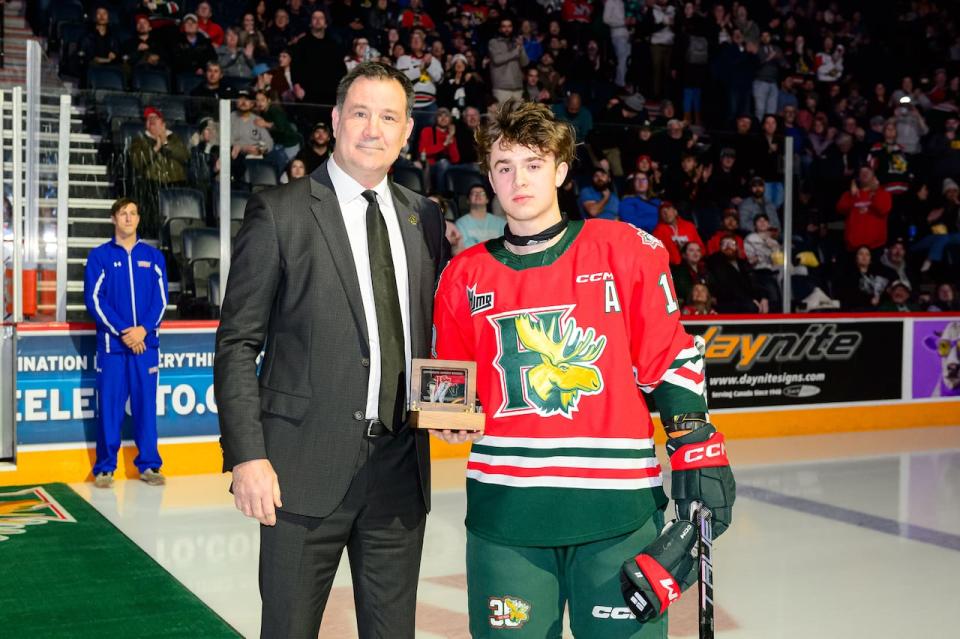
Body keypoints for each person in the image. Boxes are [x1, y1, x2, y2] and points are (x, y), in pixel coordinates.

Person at [430, 98, 734, 638]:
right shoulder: (462, 275)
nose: (517, 179)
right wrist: (453, 414)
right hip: (506, 517)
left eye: (533, 163)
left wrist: (694, 443)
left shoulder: (625, 249)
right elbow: (455, 382)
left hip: (616, 514)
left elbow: (671, 357)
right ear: (489, 179)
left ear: (561, 170)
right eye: (504, 167)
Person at [214, 61, 449, 638]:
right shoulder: (281, 211)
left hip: (400, 472)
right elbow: (237, 343)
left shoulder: (426, 217)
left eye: (389, 117)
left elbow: (433, 336)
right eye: (361, 113)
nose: (374, 129)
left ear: (406, 132)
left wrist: (448, 407)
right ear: (337, 120)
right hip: (299, 470)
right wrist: (247, 455)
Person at [83, 197, 168, 489]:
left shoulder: (153, 257)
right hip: (113, 348)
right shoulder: (100, 256)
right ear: (113, 219)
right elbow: (95, 300)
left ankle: (149, 465)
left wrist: (143, 330)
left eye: (133, 213)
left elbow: (161, 299)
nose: (128, 218)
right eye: (123, 213)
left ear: (139, 219)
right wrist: (124, 332)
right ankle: (105, 468)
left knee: (146, 406)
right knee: (110, 408)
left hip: (146, 346)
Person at [129, 107, 189, 238]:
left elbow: (184, 156)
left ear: (163, 123)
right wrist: (156, 147)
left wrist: (166, 143)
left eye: (154, 120)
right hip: (152, 184)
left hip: (176, 183)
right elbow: (138, 161)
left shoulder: (175, 139)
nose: (151, 123)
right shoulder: (139, 140)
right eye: (148, 120)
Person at [836, 166, 893, 254]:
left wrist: (875, 193)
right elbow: (841, 209)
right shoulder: (849, 194)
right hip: (853, 248)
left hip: (875, 247)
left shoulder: (883, 193)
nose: (865, 173)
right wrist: (852, 195)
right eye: (862, 172)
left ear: (874, 177)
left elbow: (883, 209)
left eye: (868, 171)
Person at [488, 18, 529, 103]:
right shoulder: (494, 42)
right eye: (504, 26)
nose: (507, 29)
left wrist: (521, 48)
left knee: (519, 116)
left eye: (509, 26)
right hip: (501, 89)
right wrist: (516, 51)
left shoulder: (517, 43)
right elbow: (497, 59)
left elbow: (525, 63)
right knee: (503, 116)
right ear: (500, 28)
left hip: (518, 88)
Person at [652, 201, 704, 265]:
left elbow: (700, 247)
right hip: (674, 267)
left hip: (694, 264)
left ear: (675, 211)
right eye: (663, 212)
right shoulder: (658, 231)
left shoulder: (689, 226)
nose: (666, 213)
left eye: (668, 209)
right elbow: (659, 253)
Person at [455, 184, 505, 249]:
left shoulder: (501, 223)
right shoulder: (461, 223)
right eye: (473, 193)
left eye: (482, 193)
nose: (478, 195)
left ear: (487, 200)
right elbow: (461, 250)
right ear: (468, 200)